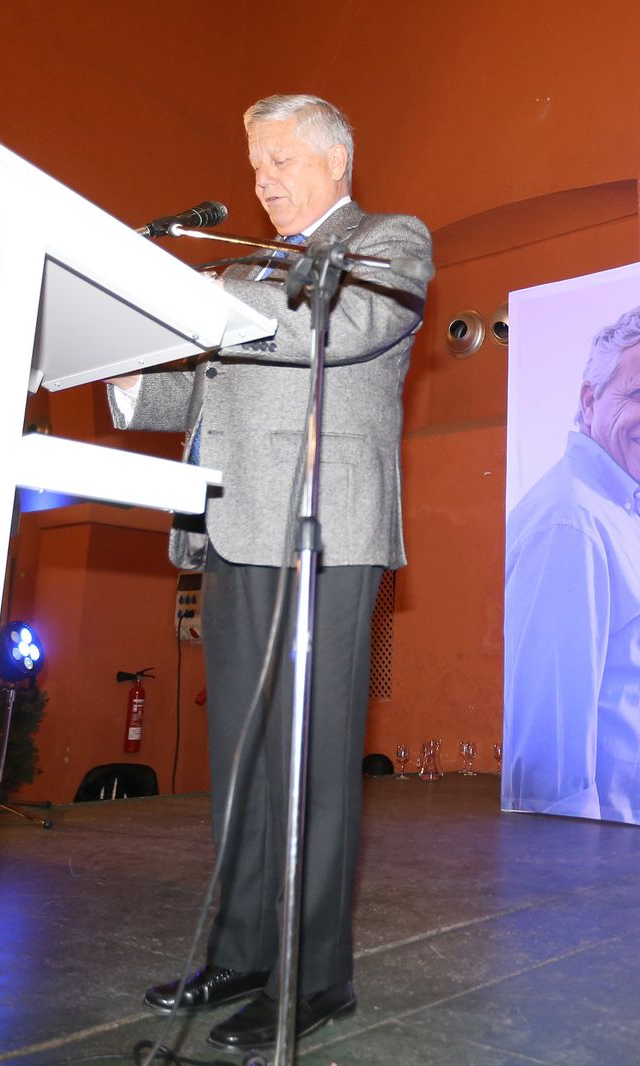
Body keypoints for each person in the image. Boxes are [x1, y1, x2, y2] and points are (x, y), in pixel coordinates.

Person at [106, 94, 429, 1050]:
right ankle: (244, 951)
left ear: (337, 158)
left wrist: (196, 295)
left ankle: (315, 977)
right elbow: (209, 382)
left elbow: (335, 328)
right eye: (254, 165)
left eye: (282, 157)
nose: (264, 180)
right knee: (242, 761)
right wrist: (115, 373)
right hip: (235, 525)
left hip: (328, 526)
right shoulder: (248, 269)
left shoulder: (387, 239)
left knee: (315, 763)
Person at [502, 305, 640, 828]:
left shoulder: (628, 511)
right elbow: (549, 767)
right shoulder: (572, 524)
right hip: (606, 880)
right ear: (590, 401)